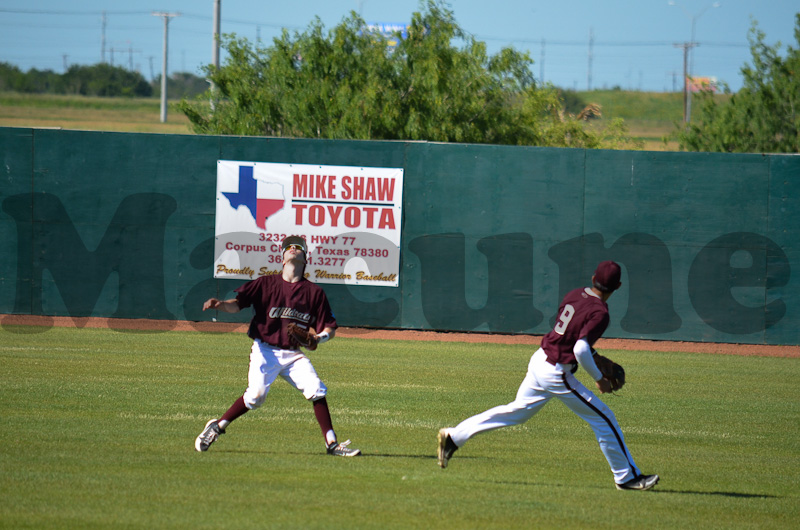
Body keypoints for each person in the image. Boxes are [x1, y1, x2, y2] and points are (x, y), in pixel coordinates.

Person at [437, 261, 658, 491]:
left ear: (593, 278)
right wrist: (599, 378)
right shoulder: (600, 312)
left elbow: (568, 335)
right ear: (618, 286)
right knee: (605, 419)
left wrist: (592, 355)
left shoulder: (575, 294)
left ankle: (454, 437)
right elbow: (580, 349)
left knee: (517, 411)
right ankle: (627, 477)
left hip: (540, 359)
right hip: (556, 372)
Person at [194, 235, 360, 457]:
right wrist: (221, 305)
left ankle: (332, 444)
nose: (293, 250)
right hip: (265, 350)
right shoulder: (265, 284)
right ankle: (217, 426)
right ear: (282, 258)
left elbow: (330, 328)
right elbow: (238, 304)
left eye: (298, 248)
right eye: (288, 248)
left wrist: (319, 338)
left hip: (293, 355)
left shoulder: (314, 293)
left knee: (316, 389)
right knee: (255, 397)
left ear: (305, 258)